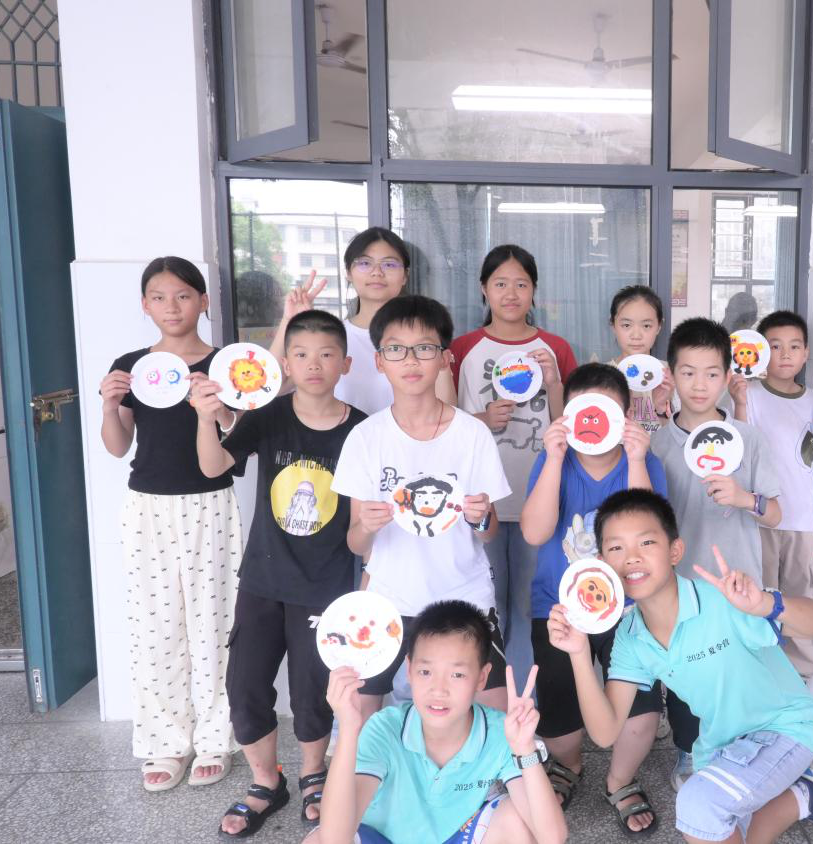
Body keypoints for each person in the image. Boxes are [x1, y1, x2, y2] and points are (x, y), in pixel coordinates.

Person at [547, 489, 813, 844]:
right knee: (715, 831)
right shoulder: (630, 637)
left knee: (697, 806)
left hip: (783, 728)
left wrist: (765, 604)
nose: (631, 558)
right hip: (721, 744)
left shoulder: (721, 600)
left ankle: (802, 786)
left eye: (646, 542)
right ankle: (808, 793)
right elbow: (605, 733)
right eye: (616, 548)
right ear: (602, 563)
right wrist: (577, 652)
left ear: (675, 551)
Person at [192, 309, 367, 836]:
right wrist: (205, 418)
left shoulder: (362, 430)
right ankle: (266, 781)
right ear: (286, 364)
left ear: (345, 364)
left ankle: (314, 776)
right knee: (245, 683)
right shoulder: (268, 416)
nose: (314, 364)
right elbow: (213, 467)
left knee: (313, 688)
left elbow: (364, 519)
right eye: (302, 354)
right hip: (263, 581)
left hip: (327, 584)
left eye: (326, 354)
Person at [98, 256, 241, 792]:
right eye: (158, 297)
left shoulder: (225, 362)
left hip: (211, 503)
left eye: (183, 295)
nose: (171, 306)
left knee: (215, 622)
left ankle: (215, 739)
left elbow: (237, 432)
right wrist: (109, 406)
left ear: (203, 300)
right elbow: (117, 447)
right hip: (147, 507)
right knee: (155, 625)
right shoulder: (132, 366)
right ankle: (165, 744)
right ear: (145, 305)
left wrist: (216, 406)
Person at [331, 295, 512, 715]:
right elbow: (356, 544)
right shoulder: (365, 437)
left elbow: (489, 533)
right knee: (359, 715)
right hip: (387, 599)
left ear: (445, 358)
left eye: (425, 348)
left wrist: (481, 516)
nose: (411, 360)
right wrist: (368, 526)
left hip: (464, 597)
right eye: (396, 349)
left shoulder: (472, 434)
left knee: (493, 715)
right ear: (380, 361)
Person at [520, 363, 667, 834]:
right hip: (558, 608)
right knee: (558, 716)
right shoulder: (553, 461)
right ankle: (568, 765)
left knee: (641, 714)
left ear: (624, 416)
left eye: (607, 411)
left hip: (630, 609)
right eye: (581, 410)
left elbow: (651, 537)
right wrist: (554, 459)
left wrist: (638, 460)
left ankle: (620, 779)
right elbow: (534, 532)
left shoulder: (645, 463)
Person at [306, 601, 567, 844]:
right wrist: (348, 728)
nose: (439, 689)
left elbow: (551, 837)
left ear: (482, 677)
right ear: (409, 670)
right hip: (383, 838)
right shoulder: (385, 728)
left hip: (459, 837)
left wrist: (525, 750)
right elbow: (334, 838)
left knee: (515, 822)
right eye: (426, 672)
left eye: (457, 674)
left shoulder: (501, 732)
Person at [650, 316, 783, 788]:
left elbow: (776, 514)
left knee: (738, 668)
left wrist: (745, 498)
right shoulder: (658, 442)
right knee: (685, 671)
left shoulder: (749, 439)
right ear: (672, 374)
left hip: (738, 582)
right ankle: (689, 749)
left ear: (728, 376)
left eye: (711, 373)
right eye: (688, 372)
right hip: (680, 584)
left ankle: (740, 748)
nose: (699, 384)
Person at [450, 245, 577, 681]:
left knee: (529, 606)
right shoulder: (463, 348)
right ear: (483, 289)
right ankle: (487, 698)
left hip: (538, 500)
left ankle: (526, 699)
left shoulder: (555, 348)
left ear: (534, 290)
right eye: (500, 283)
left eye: (521, 284)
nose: (510, 293)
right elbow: (443, 422)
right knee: (484, 606)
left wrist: (554, 381)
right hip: (478, 500)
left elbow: (570, 424)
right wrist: (482, 419)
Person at [732, 310, 813, 684]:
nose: (786, 354)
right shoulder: (749, 395)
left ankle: (798, 683)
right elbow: (741, 448)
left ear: (806, 353)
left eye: (794, 346)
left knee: (800, 603)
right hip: (759, 519)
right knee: (757, 601)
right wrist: (739, 401)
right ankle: (758, 680)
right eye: (775, 346)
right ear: (760, 352)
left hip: (803, 522)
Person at [267, 227, 456, 414]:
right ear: (348, 273)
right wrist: (289, 321)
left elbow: (448, 411)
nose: (377, 272)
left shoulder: (425, 340)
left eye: (389, 264)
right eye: (365, 263)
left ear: (405, 276)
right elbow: (271, 387)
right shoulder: (331, 339)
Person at [607, 285, 674, 433]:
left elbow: (683, 438)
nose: (636, 335)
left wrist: (661, 409)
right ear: (613, 325)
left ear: (659, 326)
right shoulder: (601, 377)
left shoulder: (671, 376)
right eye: (626, 325)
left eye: (646, 326)